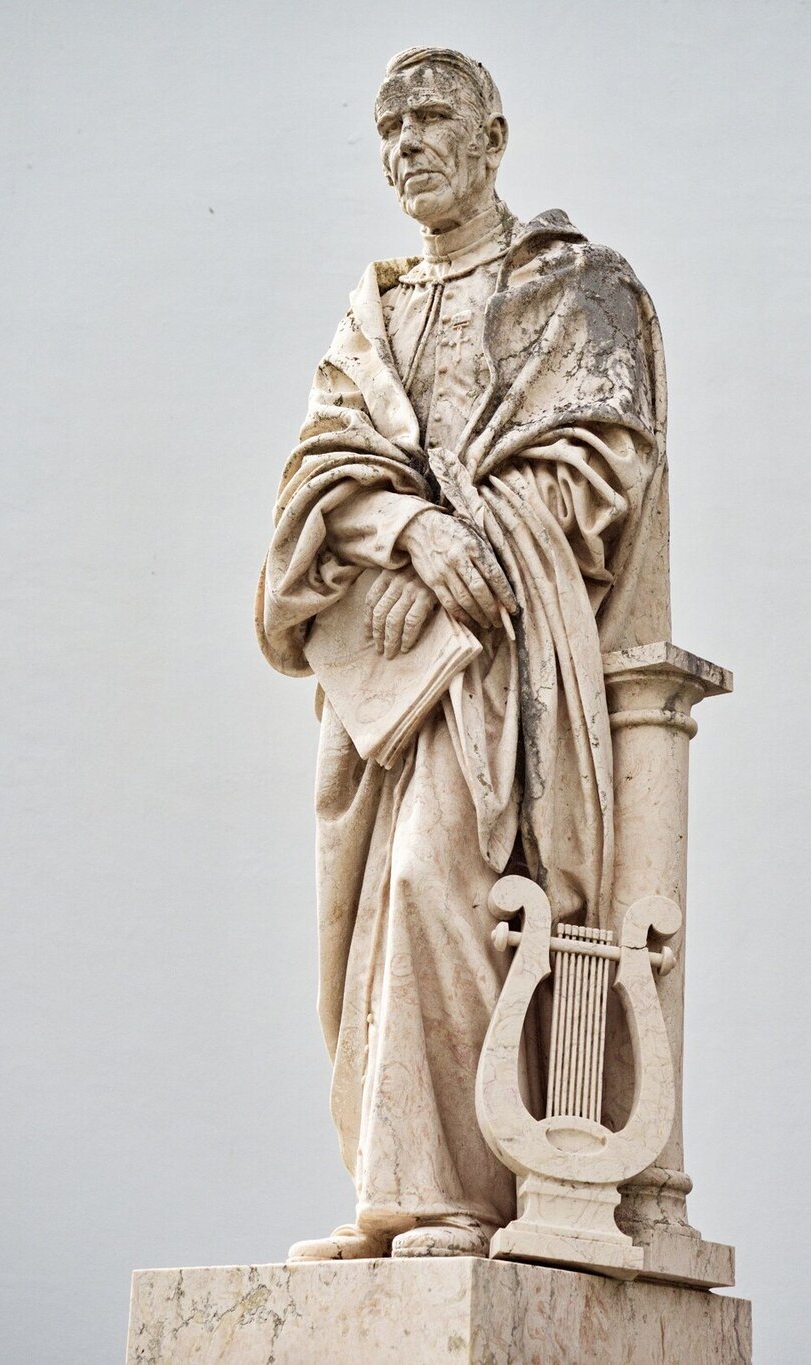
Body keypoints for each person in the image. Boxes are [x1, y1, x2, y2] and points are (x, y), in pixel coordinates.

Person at [256, 46, 670, 1261]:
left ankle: (463, 1193)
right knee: (362, 922)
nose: (406, 146)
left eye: (431, 119)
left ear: (492, 139)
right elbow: (318, 479)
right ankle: (392, 1190)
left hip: (506, 665)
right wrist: (406, 534)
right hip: (378, 695)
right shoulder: (372, 314)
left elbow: (598, 467)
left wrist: (465, 551)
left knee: (440, 884)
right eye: (388, 130)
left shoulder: (577, 288)